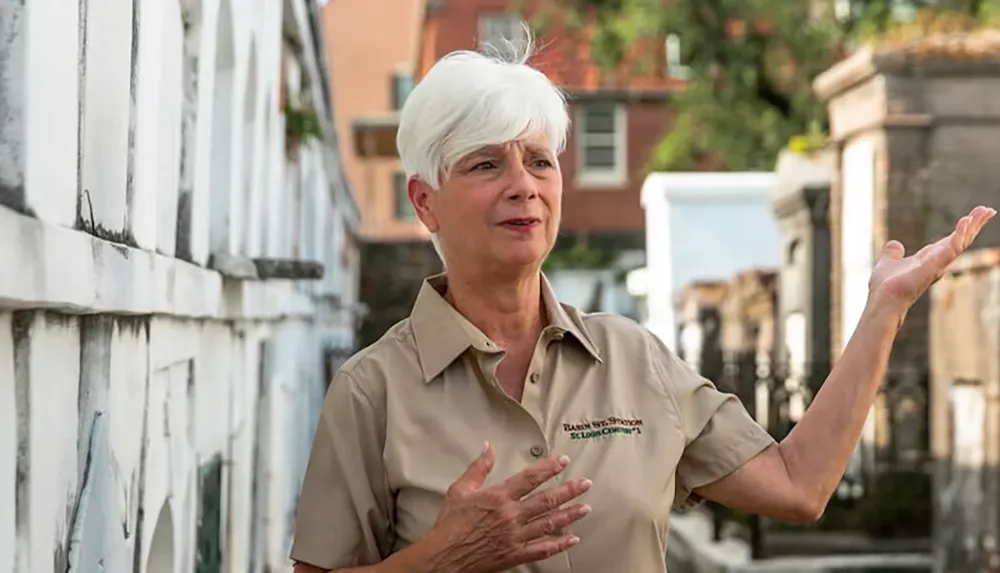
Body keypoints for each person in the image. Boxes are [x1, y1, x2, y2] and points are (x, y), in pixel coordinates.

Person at [289, 38, 996, 573]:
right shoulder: (372, 391)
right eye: (485, 164)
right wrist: (444, 556)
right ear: (424, 201)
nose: (523, 186)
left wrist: (885, 310)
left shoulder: (635, 358)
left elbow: (798, 483)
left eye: (539, 160)